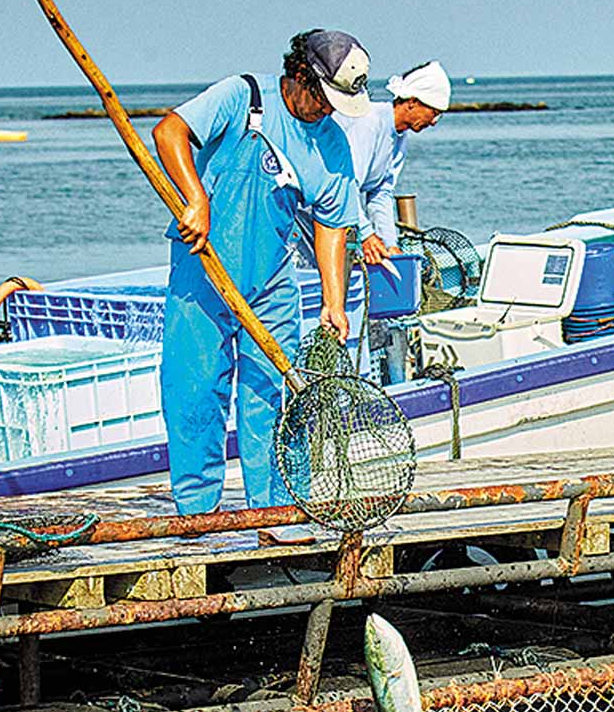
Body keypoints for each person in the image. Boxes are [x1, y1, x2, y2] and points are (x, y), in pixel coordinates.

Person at [152, 30, 370, 515]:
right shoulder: (243, 98)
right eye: (323, 97)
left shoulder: (332, 145)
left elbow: (333, 225)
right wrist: (195, 197)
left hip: (271, 283)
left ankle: (277, 516)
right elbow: (169, 133)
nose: (327, 110)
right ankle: (197, 515)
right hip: (201, 273)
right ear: (299, 76)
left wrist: (334, 303)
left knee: (273, 401)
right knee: (195, 396)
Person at [293, 60, 451, 267]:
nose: (434, 122)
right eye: (434, 112)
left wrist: (389, 243)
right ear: (412, 101)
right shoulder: (369, 122)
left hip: (334, 213)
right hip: (307, 209)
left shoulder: (400, 137)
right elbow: (344, 189)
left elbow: (381, 193)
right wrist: (367, 235)